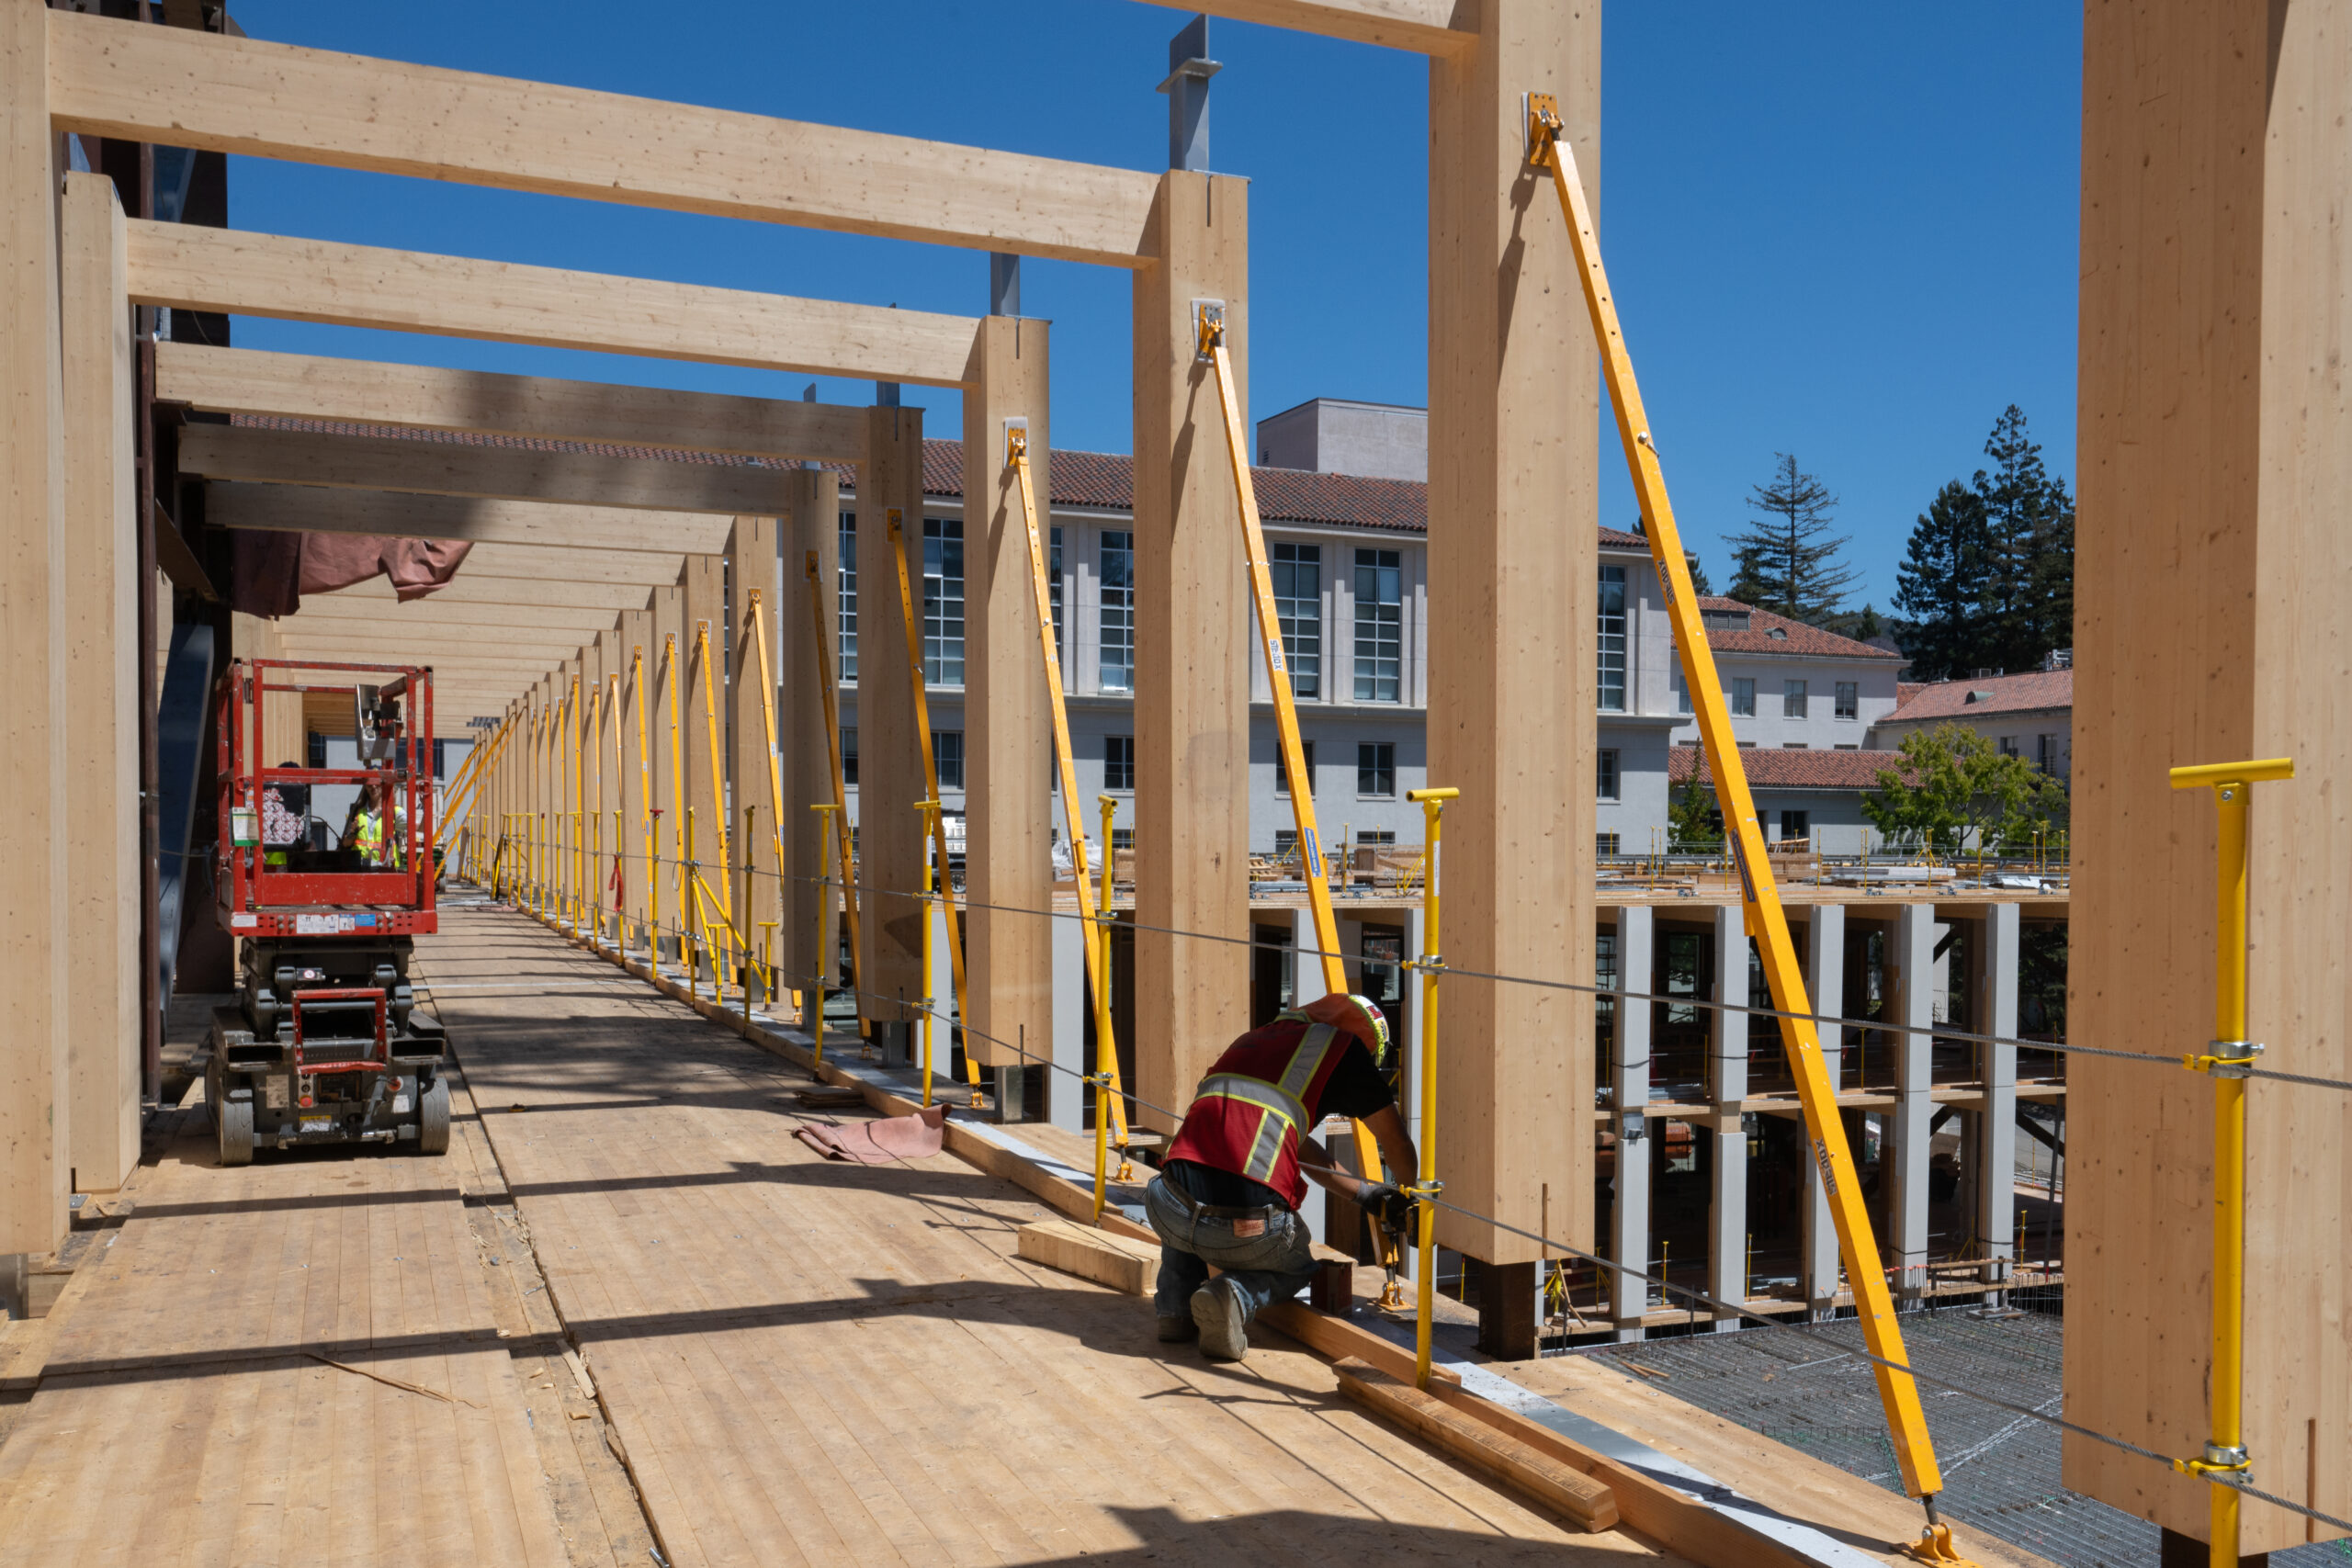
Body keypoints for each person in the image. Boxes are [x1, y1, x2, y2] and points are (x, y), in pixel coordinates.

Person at [1146, 991, 1419, 1361]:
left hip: (1166, 1206)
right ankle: (1233, 1297)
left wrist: (1367, 1195)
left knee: (1188, 1190)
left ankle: (1175, 1311)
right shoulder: (1345, 1050)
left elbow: (1302, 1151)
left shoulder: (1253, 1041)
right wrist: (1409, 1195)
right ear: (1363, 1041)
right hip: (1244, 1228)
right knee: (1298, 1264)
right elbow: (1396, 1143)